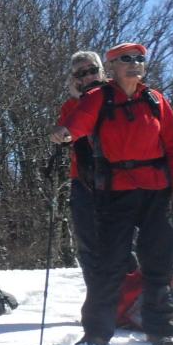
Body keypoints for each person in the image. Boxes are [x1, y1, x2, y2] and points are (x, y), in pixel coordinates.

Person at [51, 42, 173, 345]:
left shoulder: (155, 100)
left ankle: (161, 330)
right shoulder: (99, 97)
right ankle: (97, 332)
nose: (134, 64)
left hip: (157, 190)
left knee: (159, 263)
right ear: (113, 66)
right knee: (109, 263)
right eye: (126, 59)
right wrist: (67, 132)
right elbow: (80, 121)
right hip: (117, 192)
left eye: (139, 59)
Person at [57, 51, 107, 293]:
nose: (88, 76)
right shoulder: (70, 106)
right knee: (88, 243)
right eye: (81, 73)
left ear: (101, 70)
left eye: (92, 70)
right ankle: (98, 299)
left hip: (118, 179)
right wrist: (80, 99)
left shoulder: (116, 96)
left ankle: (128, 300)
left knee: (124, 242)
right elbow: (66, 135)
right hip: (83, 179)